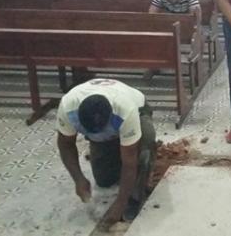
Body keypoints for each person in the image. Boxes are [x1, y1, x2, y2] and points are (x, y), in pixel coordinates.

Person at [56, 78, 156, 231]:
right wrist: (78, 179)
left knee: (144, 144)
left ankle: (136, 195)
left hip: (139, 111)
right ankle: (115, 147)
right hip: (109, 129)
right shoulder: (67, 107)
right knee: (104, 180)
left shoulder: (125, 109)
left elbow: (130, 162)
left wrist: (120, 204)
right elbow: (65, 144)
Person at [145, 0, 203, 81]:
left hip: (187, 24)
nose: (173, 1)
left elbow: (195, 16)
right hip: (169, 24)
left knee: (197, 35)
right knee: (155, 36)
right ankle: (154, 66)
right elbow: (151, 15)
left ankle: (196, 68)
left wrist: (187, 28)